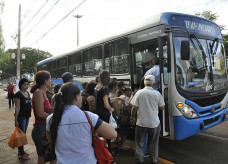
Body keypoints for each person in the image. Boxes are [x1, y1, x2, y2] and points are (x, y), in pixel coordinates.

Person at [49, 82, 117, 164]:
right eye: (80, 95)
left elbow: (52, 140)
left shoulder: (51, 119)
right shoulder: (88, 116)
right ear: (77, 97)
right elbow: (113, 134)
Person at [130, 75, 165, 164]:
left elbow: (133, 107)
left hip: (141, 122)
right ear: (153, 84)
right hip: (154, 123)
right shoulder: (157, 93)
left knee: (139, 143)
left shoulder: (139, 93)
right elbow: (162, 107)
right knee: (153, 143)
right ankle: (153, 160)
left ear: (144, 83)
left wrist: (132, 117)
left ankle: (139, 160)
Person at [30, 70, 52, 164]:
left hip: (44, 129)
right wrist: (53, 118)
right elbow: (40, 113)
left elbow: (48, 109)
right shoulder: (38, 93)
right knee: (42, 158)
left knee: (47, 157)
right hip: (40, 130)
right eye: (50, 79)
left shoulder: (44, 93)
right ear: (45, 81)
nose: (51, 81)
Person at [14, 78, 31, 160]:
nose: (26, 86)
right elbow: (17, 107)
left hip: (27, 116)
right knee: (21, 135)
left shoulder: (27, 93)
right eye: (24, 84)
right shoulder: (18, 94)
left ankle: (21, 151)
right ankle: (21, 153)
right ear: (20, 85)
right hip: (21, 117)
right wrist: (16, 120)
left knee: (23, 134)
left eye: (27, 84)